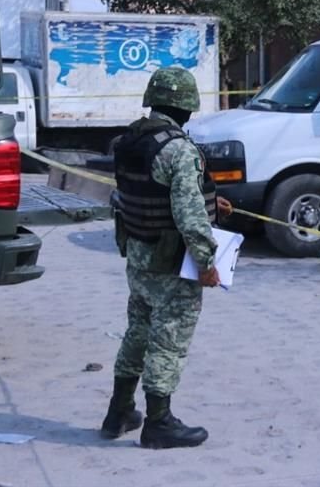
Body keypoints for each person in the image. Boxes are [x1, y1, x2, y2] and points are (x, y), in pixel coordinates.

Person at [102, 66, 232, 449]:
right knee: (169, 339)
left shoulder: (130, 141)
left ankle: (119, 411)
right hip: (172, 262)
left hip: (139, 255)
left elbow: (142, 195)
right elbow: (190, 218)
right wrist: (207, 263)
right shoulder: (179, 149)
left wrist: (213, 202)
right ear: (187, 107)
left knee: (137, 332)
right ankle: (159, 422)